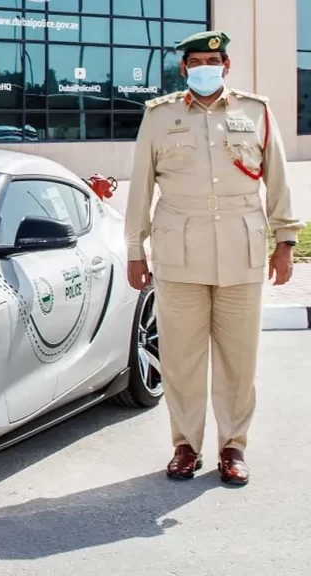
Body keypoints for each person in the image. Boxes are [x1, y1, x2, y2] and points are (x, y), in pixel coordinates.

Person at [125, 31, 305, 486]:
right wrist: (134, 250)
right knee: (182, 360)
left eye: (213, 59)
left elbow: (278, 179)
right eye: (196, 61)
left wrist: (285, 242)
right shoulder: (160, 116)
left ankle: (233, 447)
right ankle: (185, 445)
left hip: (241, 254)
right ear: (184, 69)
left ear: (226, 66)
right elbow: (141, 186)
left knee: (238, 361)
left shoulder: (256, 111)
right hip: (177, 253)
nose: (205, 67)